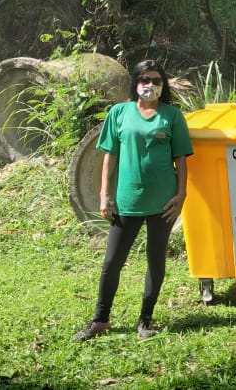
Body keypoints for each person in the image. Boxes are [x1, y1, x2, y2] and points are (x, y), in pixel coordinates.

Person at [72, 59, 194, 341]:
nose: (150, 85)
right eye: (144, 80)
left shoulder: (172, 116)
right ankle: (100, 319)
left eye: (156, 81)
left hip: (163, 203)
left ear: (163, 87)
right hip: (126, 201)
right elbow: (109, 156)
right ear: (135, 84)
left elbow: (181, 160)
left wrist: (181, 195)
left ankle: (146, 320)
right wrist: (105, 195)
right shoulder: (119, 113)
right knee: (112, 261)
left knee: (155, 260)